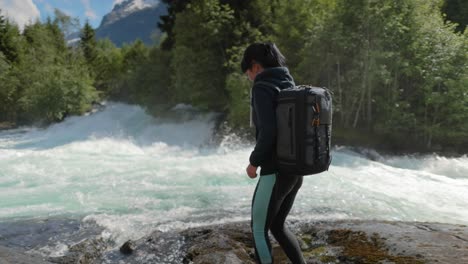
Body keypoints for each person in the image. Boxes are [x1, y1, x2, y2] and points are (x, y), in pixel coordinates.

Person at [242, 42, 306, 264]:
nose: (249, 77)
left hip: (275, 171)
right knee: (277, 226)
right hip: (295, 170)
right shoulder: (287, 82)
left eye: (247, 72)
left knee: (258, 230)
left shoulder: (262, 87)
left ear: (255, 66)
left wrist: (254, 162)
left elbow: (268, 131)